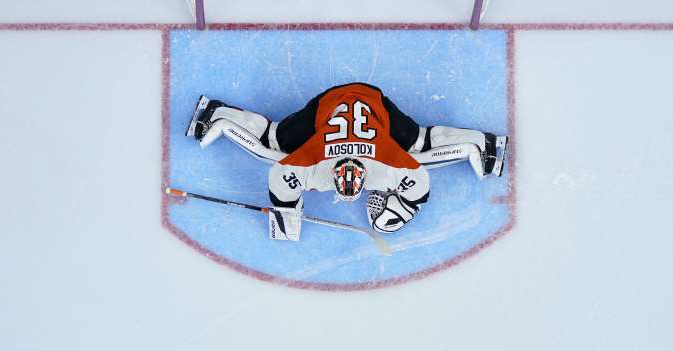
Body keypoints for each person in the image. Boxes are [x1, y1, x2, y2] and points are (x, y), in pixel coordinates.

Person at [184, 82, 507, 240]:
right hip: (330, 104)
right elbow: (419, 177)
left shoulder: (383, 164)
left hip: (373, 103)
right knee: (276, 140)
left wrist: (286, 215)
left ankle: (216, 112)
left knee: (273, 140)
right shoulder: (315, 164)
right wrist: (286, 215)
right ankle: (484, 143)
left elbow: (278, 176)